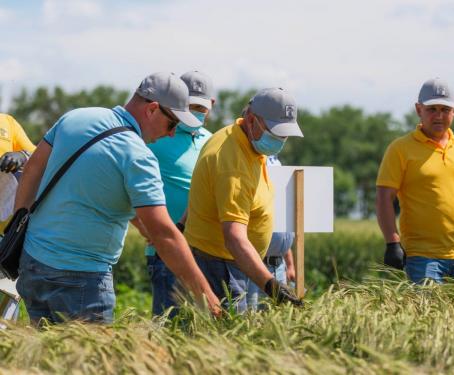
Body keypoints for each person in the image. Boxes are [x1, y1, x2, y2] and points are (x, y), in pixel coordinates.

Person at [14, 72, 220, 324]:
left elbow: (33, 170)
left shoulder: (76, 117)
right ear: (153, 109)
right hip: (82, 278)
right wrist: (203, 292)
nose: (171, 133)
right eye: (172, 124)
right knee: (85, 363)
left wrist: (19, 229)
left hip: (33, 264)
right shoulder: (138, 156)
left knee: (43, 359)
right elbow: (164, 234)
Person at [184, 87, 304, 312]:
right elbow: (235, 238)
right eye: (275, 132)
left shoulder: (241, 140)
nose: (280, 139)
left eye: (285, 134)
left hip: (233, 264)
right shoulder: (232, 164)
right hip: (221, 269)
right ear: (251, 120)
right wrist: (270, 284)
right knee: (226, 342)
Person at [376, 77, 454, 284]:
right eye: (432, 109)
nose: (439, 116)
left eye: (445, 109)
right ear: (418, 109)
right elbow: (383, 198)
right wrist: (392, 243)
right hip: (422, 258)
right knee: (428, 316)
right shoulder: (400, 149)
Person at [143, 70, 215, 316]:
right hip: (167, 254)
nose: (195, 111)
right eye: (189, 105)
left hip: (207, 253)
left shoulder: (213, 142)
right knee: (171, 330)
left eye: (201, 107)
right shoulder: (156, 135)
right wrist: (144, 226)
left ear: (212, 106)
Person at [247, 154, 296, 310]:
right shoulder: (249, 164)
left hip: (278, 265)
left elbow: (280, 232)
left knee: (276, 319)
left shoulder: (275, 161)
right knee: (252, 320)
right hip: (256, 266)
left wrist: (290, 265)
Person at [0, 114, 35, 321]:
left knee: (4, 325)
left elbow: (38, 154)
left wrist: (21, 155)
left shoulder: (7, 123)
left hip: (6, 241)